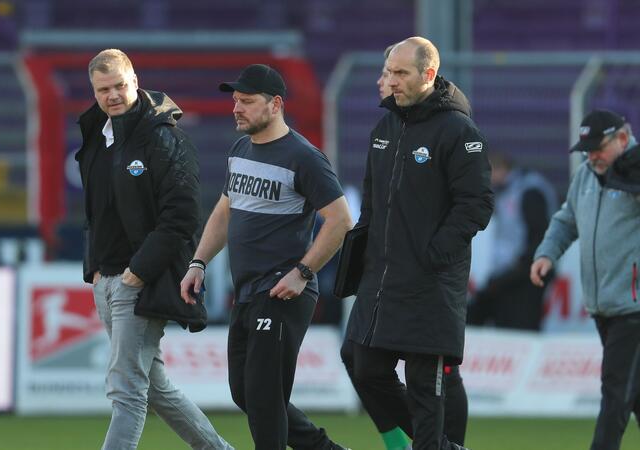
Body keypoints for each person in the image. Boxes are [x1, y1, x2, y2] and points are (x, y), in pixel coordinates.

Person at [180, 64, 353, 450]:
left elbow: (340, 220)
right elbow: (225, 211)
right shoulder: (241, 148)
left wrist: (303, 273)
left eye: (246, 101)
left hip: (281, 292)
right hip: (247, 291)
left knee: (262, 397)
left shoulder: (304, 156)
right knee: (246, 393)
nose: (236, 108)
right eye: (235, 101)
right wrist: (198, 262)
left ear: (275, 104)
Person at [77, 48, 231, 450]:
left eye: (119, 86)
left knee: (125, 391)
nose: (112, 95)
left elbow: (181, 218)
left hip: (139, 282)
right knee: (157, 389)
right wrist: (94, 267)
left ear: (135, 81)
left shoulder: (165, 139)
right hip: (107, 280)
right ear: (93, 91)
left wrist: (137, 274)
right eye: (103, 89)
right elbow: (95, 211)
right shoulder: (97, 136)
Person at [344, 37, 493, 450]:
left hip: (429, 282)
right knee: (362, 365)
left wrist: (435, 254)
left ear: (428, 74)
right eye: (388, 72)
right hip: (383, 279)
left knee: (427, 390)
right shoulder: (385, 126)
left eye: (401, 73)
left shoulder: (459, 130)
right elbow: (373, 203)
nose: (390, 81)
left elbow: (477, 203)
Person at [531, 109, 640, 450]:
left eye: (598, 147)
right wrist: (547, 253)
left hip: (633, 307)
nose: (591, 155)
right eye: (587, 148)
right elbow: (567, 220)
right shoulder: (586, 176)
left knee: (615, 392)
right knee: (632, 394)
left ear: (622, 139)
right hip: (604, 307)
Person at [468, 151, 558, 331]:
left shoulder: (529, 191)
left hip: (526, 274)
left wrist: (513, 273)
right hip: (512, 274)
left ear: (498, 169)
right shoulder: (510, 190)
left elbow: (538, 239)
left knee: (519, 330)